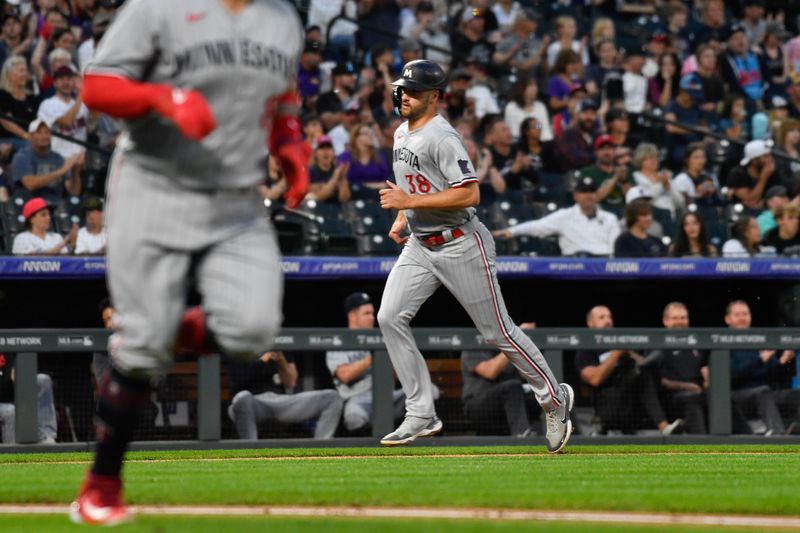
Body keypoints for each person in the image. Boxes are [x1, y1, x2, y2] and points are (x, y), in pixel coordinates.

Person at [70, 0, 310, 525]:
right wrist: (163, 96)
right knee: (142, 348)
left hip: (236, 198)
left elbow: (283, 100)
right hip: (153, 184)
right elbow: (97, 86)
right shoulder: (160, 6)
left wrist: (290, 146)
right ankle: (101, 487)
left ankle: (160, 330)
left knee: (254, 328)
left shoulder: (283, 20)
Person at [377, 60, 574, 452]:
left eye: (414, 91)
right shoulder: (401, 132)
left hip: (461, 241)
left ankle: (553, 399)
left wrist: (408, 201)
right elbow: (415, 183)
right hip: (421, 242)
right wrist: (404, 214)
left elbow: (469, 192)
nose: (405, 95)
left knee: (496, 331)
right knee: (388, 316)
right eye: (403, 88)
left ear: (434, 97)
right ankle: (421, 413)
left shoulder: (443, 136)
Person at [575, 305, 684, 435]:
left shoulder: (621, 344)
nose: (608, 321)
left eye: (609, 317)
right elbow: (594, 380)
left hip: (632, 402)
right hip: (607, 405)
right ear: (590, 323)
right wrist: (616, 354)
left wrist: (630, 354)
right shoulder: (585, 349)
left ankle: (665, 427)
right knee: (635, 370)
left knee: (642, 369)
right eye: (602, 317)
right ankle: (662, 426)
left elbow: (643, 367)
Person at [326, 292, 405, 432]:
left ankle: (432, 446)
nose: (372, 318)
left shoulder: (382, 337)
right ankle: (363, 451)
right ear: (352, 316)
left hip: (389, 397)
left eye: (372, 313)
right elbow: (344, 375)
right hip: (358, 399)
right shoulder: (339, 342)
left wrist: (396, 358)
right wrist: (375, 354)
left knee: (428, 392)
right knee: (353, 416)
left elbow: (401, 376)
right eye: (366, 313)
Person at [226, 350, 343, 440]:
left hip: (279, 401)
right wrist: (262, 361)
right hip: (250, 402)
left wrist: (280, 360)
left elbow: (290, 383)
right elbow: (236, 379)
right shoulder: (239, 341)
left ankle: (320, 452)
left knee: (332, 397)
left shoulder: (279, 340)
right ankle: (250, 451)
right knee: (242, 397)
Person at [493, 177, 621, 257]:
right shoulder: (565, 216)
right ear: (575, 195)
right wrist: (510, 231)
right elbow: (537, 226)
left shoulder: (610, 218)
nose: (588, 196)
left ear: (597, 194)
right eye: (584, 192)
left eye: (592, 191)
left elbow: (615, 249)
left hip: (603, 265)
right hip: (574, 265)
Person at [725, 300, 798, 435]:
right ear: (728, 319)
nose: (742, 318)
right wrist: (759, 360)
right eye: (738, 314)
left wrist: (783, 362)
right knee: (763, 392)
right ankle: (778, 436)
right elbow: (729, 374)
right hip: (737, 398)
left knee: (796, 394)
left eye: (745, 314)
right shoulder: (722, 341)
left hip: (765, 397)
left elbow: (774, 377)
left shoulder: (758, 339)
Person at [460, 321, 537, 437]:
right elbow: (490, 372)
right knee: (511, 386)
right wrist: (514, 341)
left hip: (506, 406)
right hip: (477, 407)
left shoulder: (505, 348)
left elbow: (526, 375)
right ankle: (523, 435)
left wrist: (524, 344)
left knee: (535, 394)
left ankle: (544, 439)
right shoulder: (474, 343)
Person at [642, 302, 708, 434]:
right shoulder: (656, 345)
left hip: (699, 393)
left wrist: (708, 379)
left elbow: (706, 368)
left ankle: (747, 441)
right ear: (665, 321)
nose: (680, 322)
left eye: (683, 318)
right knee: (691, 399)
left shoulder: (697, 343)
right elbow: (657, 381)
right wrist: (685, 386)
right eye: (675, 318)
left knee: (724, 399)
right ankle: (701, 446)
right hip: (671, 399)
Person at [10, 118, 81, 204]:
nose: (43, 136)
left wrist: (75, 170)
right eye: (39, 132)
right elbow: (30, 184)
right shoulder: (21, 156)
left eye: (47, 132)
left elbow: (74, 191)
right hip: (30, 204)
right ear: (30, 136)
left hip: (56, 206)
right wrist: (60, 171)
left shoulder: (58, 158)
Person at [0, 353, 58, 444]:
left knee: (42, 380)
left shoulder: (8, 350)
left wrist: (15, 381)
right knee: (10, 411)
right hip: (4, 404)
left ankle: (46, 438)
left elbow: (16, 376)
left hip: (11, 394)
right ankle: (12, 453)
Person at [576, 134, 629, 214]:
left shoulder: (623, 170)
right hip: (599, 215)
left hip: (624, 215)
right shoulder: (587, 172)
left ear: (615, 151)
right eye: (602, 149)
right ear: (596, 152)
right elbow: (594, 198)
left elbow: (633, 200)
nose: (607, 152)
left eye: (610, 148)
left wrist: (624, 181)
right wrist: (615, 178)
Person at [727, 140, 782, 209]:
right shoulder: (737, 173)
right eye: (765, 156)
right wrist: (764, 177)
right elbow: (751, 200)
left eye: (770, 155)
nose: (770, 159)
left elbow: (778, 194)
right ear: (754, 160)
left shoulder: (772, 172)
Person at [12, 197, 77, 255]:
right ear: (31, 219)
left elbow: (65, 262)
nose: (48, 218)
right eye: (43, 215)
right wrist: (65, 242)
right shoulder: (22, 238)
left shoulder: (57, 237)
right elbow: (37, 259)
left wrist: (72, 245)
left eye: (49, 214)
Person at [308, 135, 351, 204]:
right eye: (322, 148)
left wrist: (343, 177)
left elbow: (344, 199)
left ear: (333, 153)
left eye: (329, 148)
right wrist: (334, 179)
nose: (326, 152)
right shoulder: (310, 172)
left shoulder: (338, 170)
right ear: (315, 153)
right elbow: (319, 197)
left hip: (337, 211)